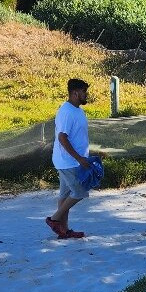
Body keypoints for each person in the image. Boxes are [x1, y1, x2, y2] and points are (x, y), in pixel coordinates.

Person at [46, 78, 93, 240]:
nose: (86, 95)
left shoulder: (77, 110)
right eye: (84, 92)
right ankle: (54, 219)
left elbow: (78, 136)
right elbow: (62, 138)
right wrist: (79, 159)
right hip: (69, 162)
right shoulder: (66, 111)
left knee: (65, 195)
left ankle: (63, 231)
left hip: (71, 160)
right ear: (75, 93)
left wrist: (87, 154)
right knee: (80, 192)